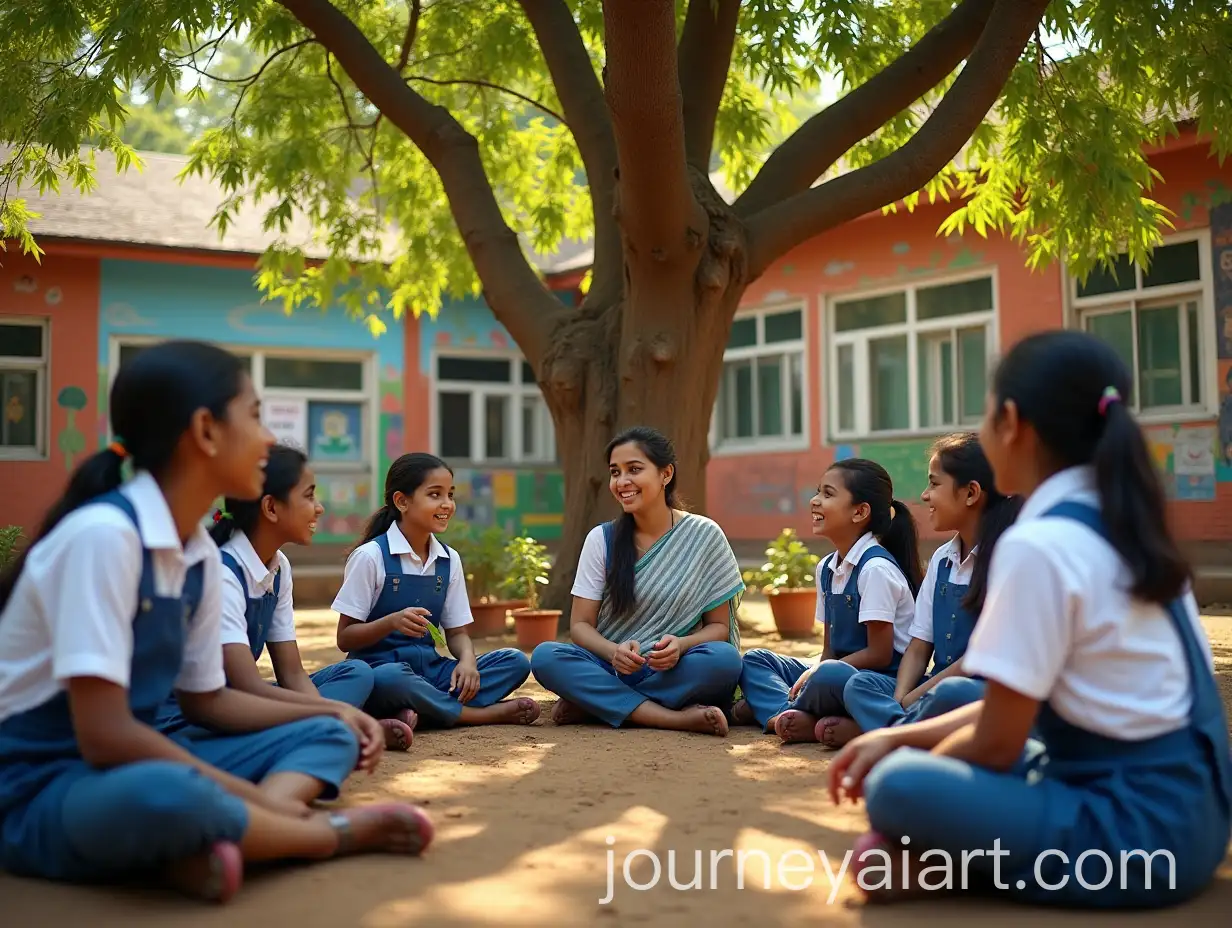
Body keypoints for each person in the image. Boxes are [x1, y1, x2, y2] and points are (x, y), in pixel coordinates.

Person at [0, 341, 433, 904]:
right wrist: (248, 797)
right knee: (164, 794)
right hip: (46, 783)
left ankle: (211, 844)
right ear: (206, 431)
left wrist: (330, 709)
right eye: (254, 416)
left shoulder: (198, 554)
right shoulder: (105, 538)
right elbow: (105, 737)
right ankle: (315, 833)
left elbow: (210, 701)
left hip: (150, 747)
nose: (268, 439)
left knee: (329, 731)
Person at [829, 330, 1231, 907]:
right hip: (1196, 818)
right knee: (946, 704)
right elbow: (1014, 712)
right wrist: (899, 735)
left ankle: (950, 863)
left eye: (987, 416)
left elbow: (995, 743)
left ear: (1012, 422)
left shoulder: (1038, 545)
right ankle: (952, 859)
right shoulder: (1120, 520)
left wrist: (909, 767)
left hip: (1138, 839)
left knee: (898, 789)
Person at [530, 426, 744, 737]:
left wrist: (681, 645)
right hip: (612, 667)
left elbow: (720, 629)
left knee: (724, 661)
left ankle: (598, 704)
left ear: (665, 474)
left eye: (634, 469)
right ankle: (670, 717)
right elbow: (580, 625)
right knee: (546, 657)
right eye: (615, 472)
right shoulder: (601, 539)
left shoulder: (704, 535)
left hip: (673, 670)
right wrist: (612, 651)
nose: (622, 482)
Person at [206, 443, 416, 751]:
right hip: (214, 709)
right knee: (311, 750)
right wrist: (334, 711)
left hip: (248, 697)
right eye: (308, 496)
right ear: (271, 508)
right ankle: (339, 732)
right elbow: (244, 686)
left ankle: (328, 730)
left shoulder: (278, 568)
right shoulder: (223, 574)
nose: (319, 507)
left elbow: (291, 673)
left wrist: (325, 712)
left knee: (355, 672)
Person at [332, 453, 539, 728]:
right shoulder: (371, 557)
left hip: (432, 673)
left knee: (514, 662)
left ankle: (414, 712)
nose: (447, 505)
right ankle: (477, 715)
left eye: (450, 495)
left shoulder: (448, 559)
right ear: (401, 501)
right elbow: (345, 638)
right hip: (381, 673)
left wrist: (467, 662)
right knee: (392, 681)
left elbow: (456, 633)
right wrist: (391, 622)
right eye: (435, 495)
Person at [842, 433, 1021, 735]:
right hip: (933, 689)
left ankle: (887, 732)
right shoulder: (942, 559)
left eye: (935, 483)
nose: (925, 495)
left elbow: (977, 660)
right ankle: (906, 732)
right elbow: (918, 646)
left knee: (951, 694)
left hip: (978, 693)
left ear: (970, 493)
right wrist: (901, 698)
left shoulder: (1009, 558)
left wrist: (914, 698)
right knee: (860, 684)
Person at [734, 458, 922, 745]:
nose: (815, 501)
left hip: (876, 682)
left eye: (828, 494)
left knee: (830, 674)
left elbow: (880, 655)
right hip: (836, 674)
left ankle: (780, 712)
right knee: (755, 660)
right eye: (818, 491)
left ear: (859, 512)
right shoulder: (827, 568)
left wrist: (819, 672)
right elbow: (828, 650)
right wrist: (816, 669)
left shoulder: (875, 570)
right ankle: (792, 716)